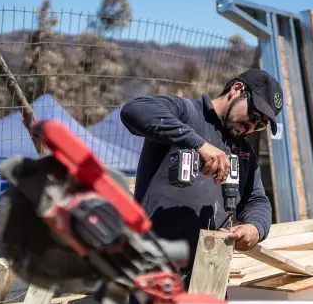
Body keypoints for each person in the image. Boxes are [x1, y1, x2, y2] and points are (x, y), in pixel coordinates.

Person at [119, 68, 284, 287]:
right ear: (236, 90)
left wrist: (255, 228)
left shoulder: (244, 152)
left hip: (210, 268)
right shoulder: (187, 113)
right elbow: (133, 110)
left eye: (260, 125)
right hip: (155, 268)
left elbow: (256, 200)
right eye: (253, 116)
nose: (251, 127)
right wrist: (198, 144)